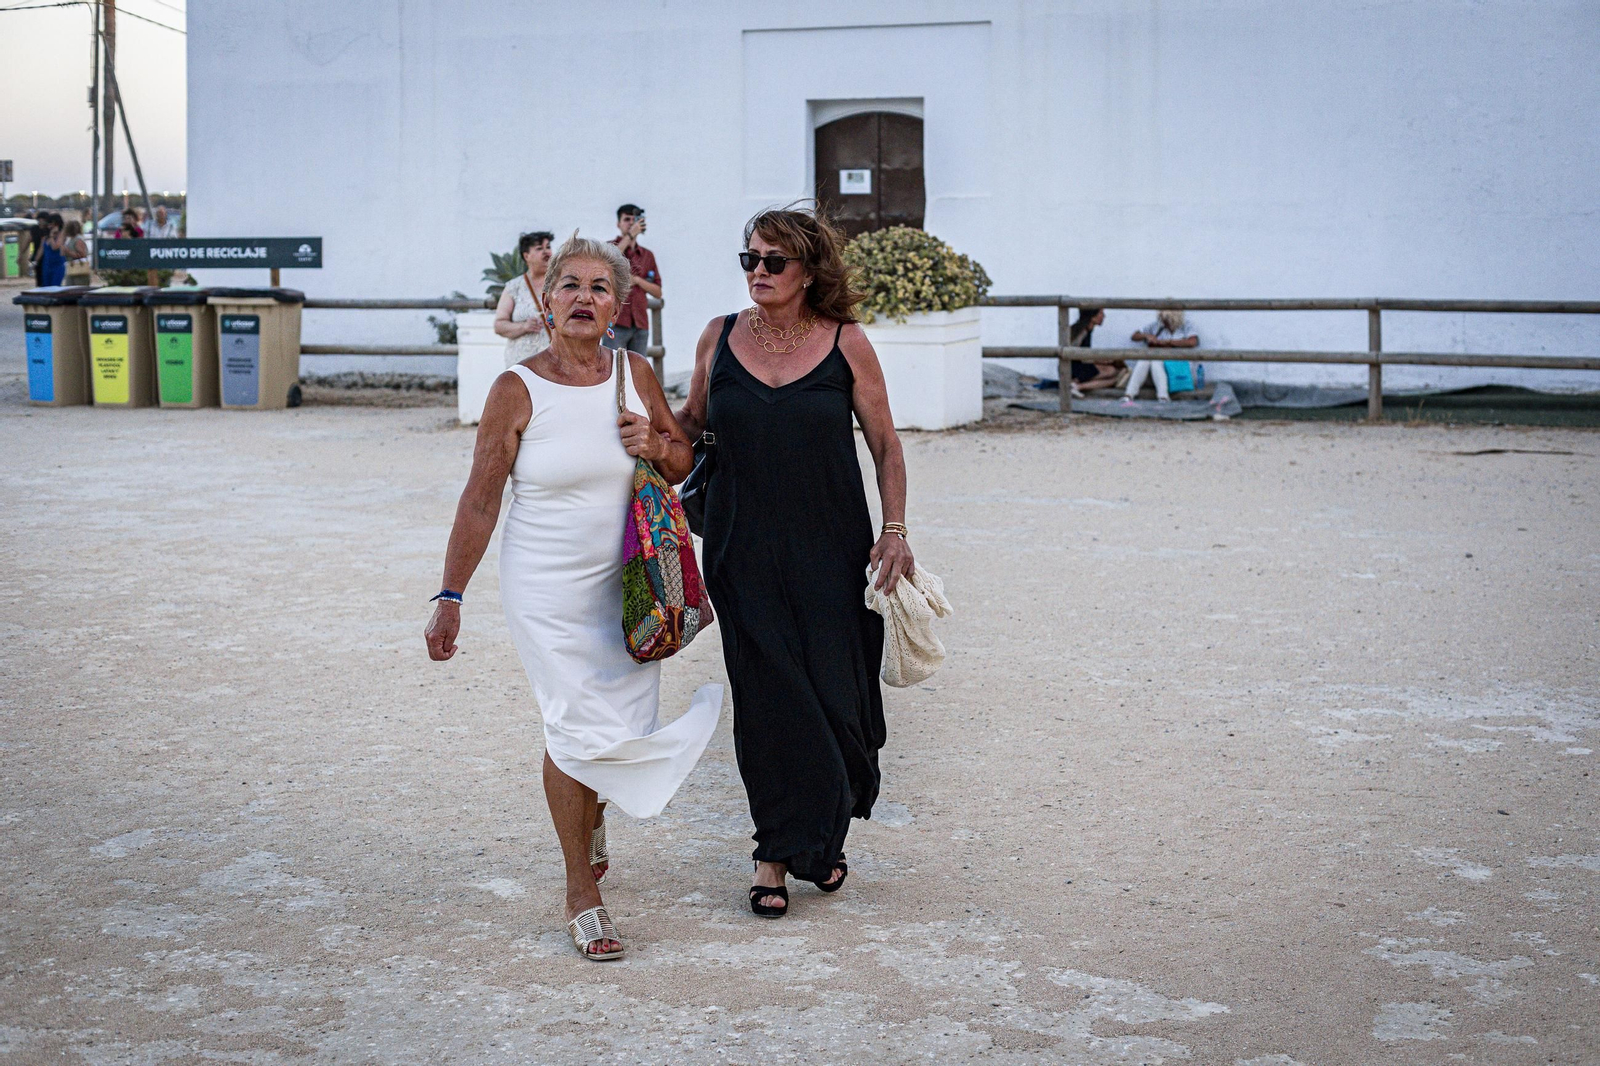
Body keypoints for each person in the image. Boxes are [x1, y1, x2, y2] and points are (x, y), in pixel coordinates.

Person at [424, 232, 716, 962]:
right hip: (546, 588)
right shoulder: (516, 388)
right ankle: (580, 889)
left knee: (617, 731)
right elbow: (481, 500)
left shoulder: (634, 373)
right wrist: (450, 593)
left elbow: (681, 461)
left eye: (599, 288)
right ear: (544, 300)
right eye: (569, 286)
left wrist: (653, 441)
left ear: (618, 306)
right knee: (571, 726)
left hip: (628, 583)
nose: (583, 298)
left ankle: (591, 820)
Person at [675, 205, 914, 919]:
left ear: (808, 270)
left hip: (833, 547)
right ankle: (774, 853)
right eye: (748, 260)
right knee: (770, 697)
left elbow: (886, 444)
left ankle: (821, 831)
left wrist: (895, 528)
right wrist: (643, 437)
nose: (758, 273)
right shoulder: (718, 337)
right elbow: (689, 427)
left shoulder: (848, 343)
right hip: (740, 544)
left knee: (838, 701)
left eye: (773, 262)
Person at [494, 230, 554, 367]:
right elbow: (499, 325)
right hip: (521, 364)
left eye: (548, 247)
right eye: (539, 248)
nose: (546, 252)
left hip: (555, 363)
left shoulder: (562, 284)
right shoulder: (514, 287)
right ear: (526, 256)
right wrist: (524, 326)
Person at [607, 204, 660, 355]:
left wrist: (637, 280)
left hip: (640, 324)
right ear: (618, 224)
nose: (631, 223)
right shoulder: (610, 248)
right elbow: (609, 259)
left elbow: (658, 292)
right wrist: (630, 236)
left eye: (634, 219)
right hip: (615, 322)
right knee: (613, 367)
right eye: (626, 219)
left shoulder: (647, 255)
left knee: (637, 370)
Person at [1121, 308, 1199, 403]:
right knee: (1146, 360)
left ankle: (1163, 397)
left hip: (1178, 367)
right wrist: (1147, 336)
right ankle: (1129, 395)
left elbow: (1192, 342)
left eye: (1167, 319)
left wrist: (1169, 343)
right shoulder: (1157, 326)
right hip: (1157, 369)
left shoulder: (1187, 325)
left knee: (1156, 361)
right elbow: (1134, 336)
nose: (1164, 322)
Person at [1067, 307, 1122, 396]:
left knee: (1114, 378)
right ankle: (1075, 382)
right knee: (1111, 371)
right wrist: (1098, 360)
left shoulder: (1087, 330)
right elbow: (1075, 354)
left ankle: (1077, 386)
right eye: (1101, 313)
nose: (1104, 316)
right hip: (1073, 368)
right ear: (1092, 317)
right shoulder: (1082, 331)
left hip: (1079, 365)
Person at [37, 217, 66, 287]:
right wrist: (35, 261)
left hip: (57, 264)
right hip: (46, 264)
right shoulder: (45, 237)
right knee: (46, 286)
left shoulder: (61, 235)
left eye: (53, 224)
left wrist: (51, 236)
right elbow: (41, 250)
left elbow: (55, 247)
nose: (50, 226)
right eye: (49, 224)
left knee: (55, 286)